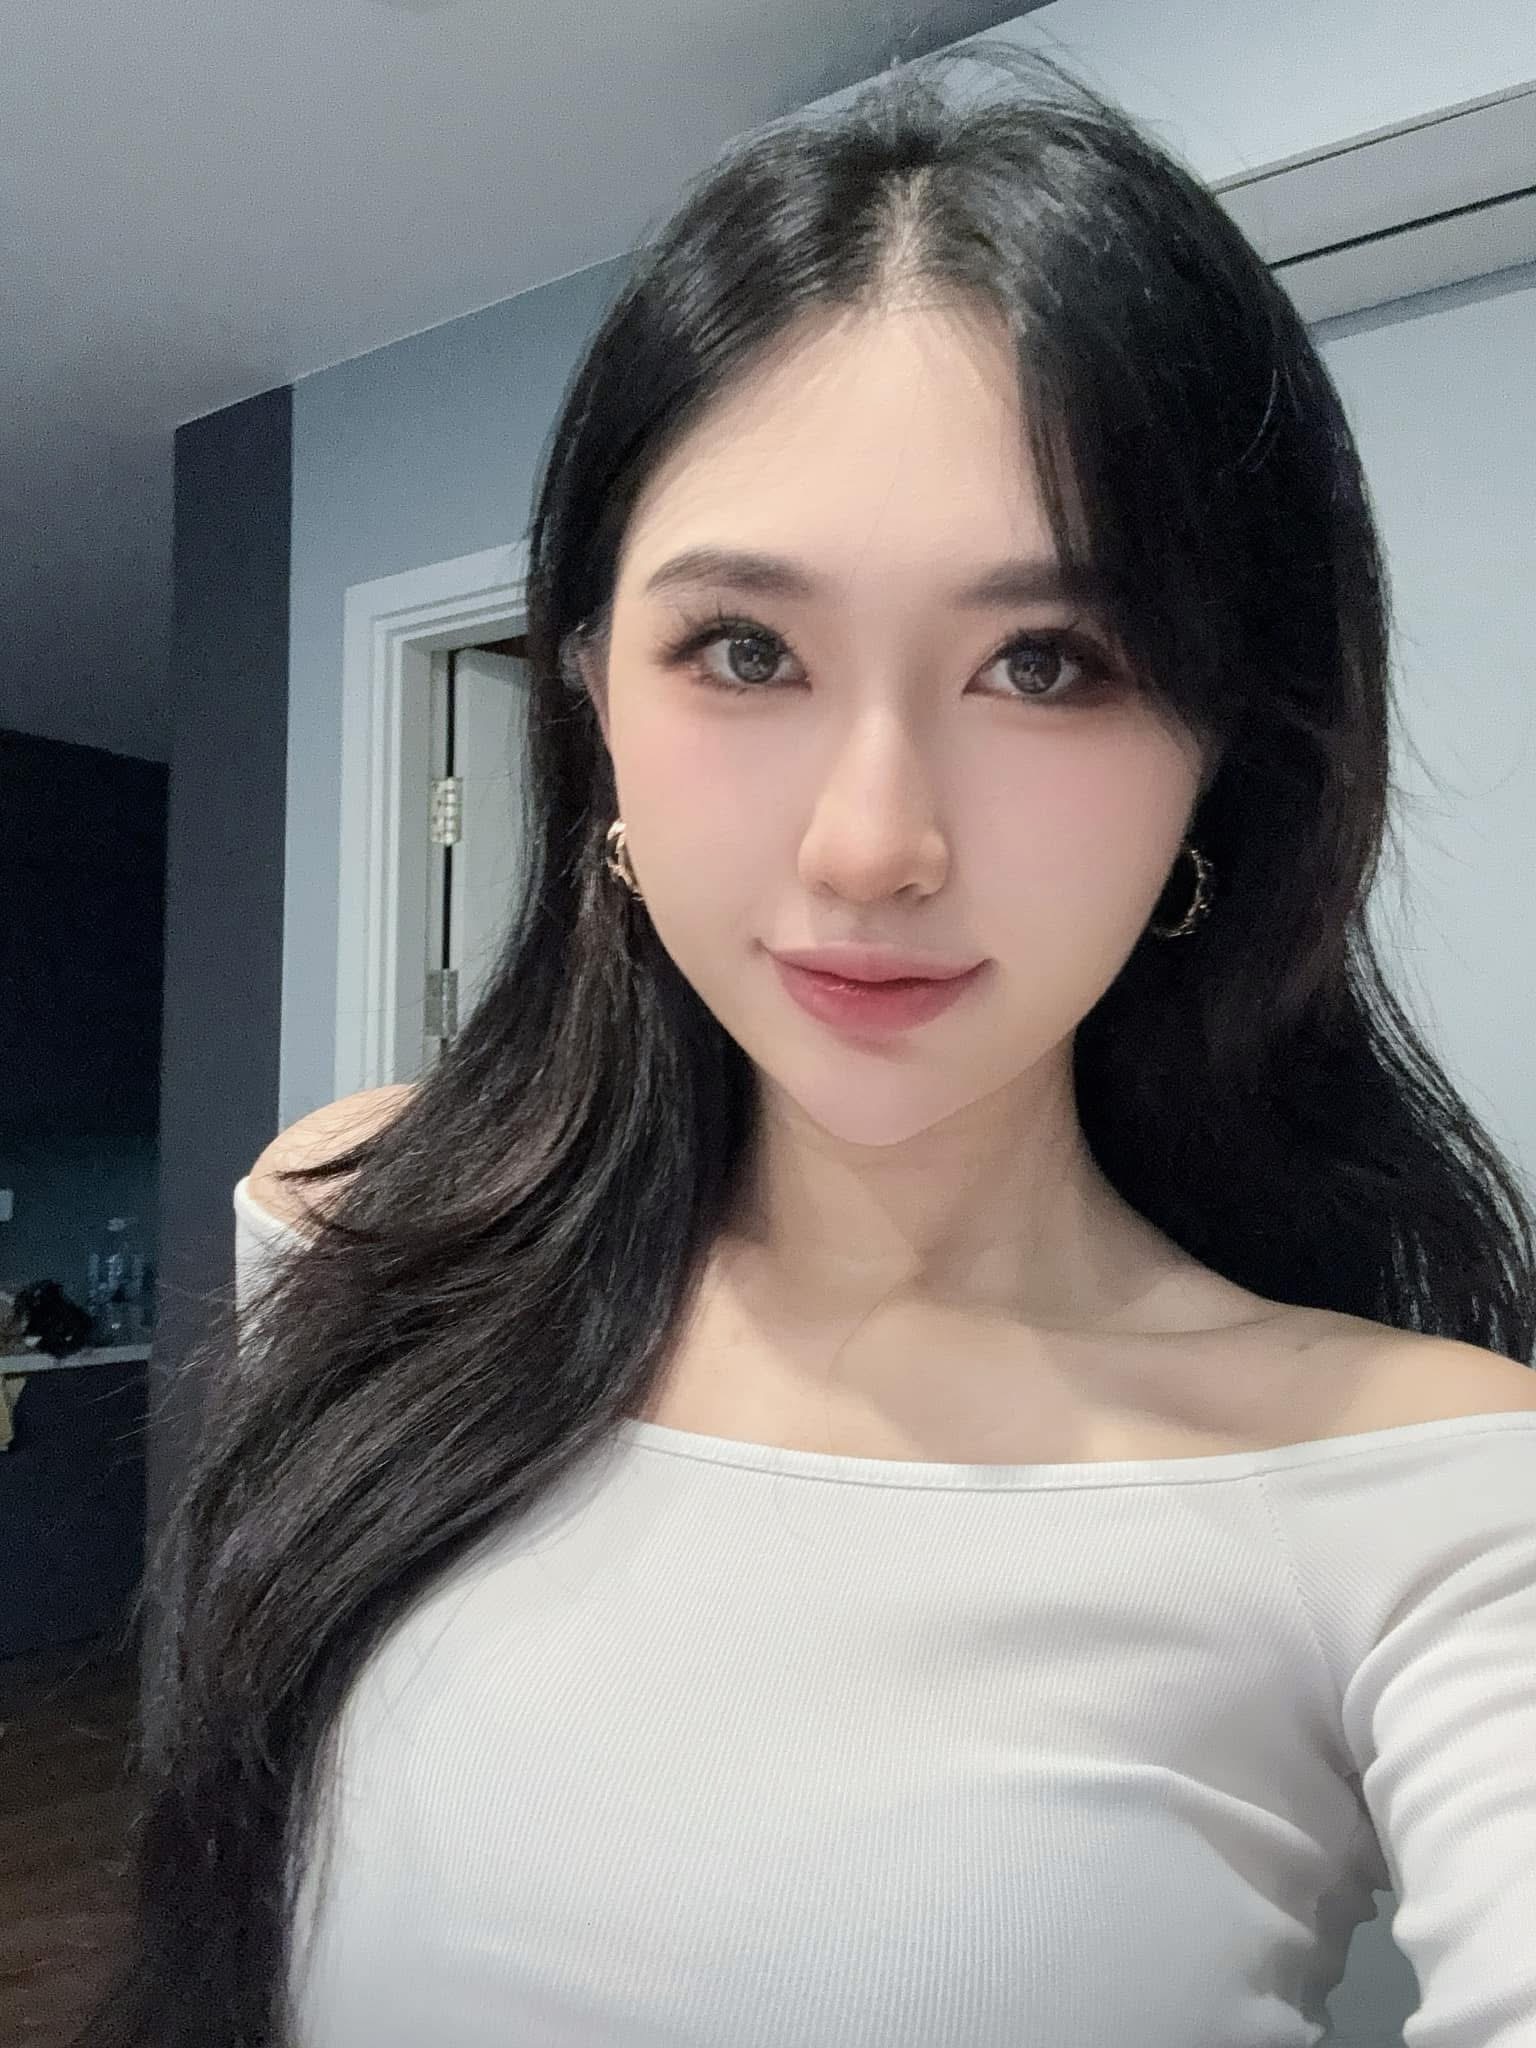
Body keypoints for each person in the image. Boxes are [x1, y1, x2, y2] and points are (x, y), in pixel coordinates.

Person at [87, 44, 1536, 2048]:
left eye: (1048, 663)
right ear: (593, 701)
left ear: (1223, 749)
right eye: (746, 650)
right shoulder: (358, 1226)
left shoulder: (1434, 1492)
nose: (873, 846)